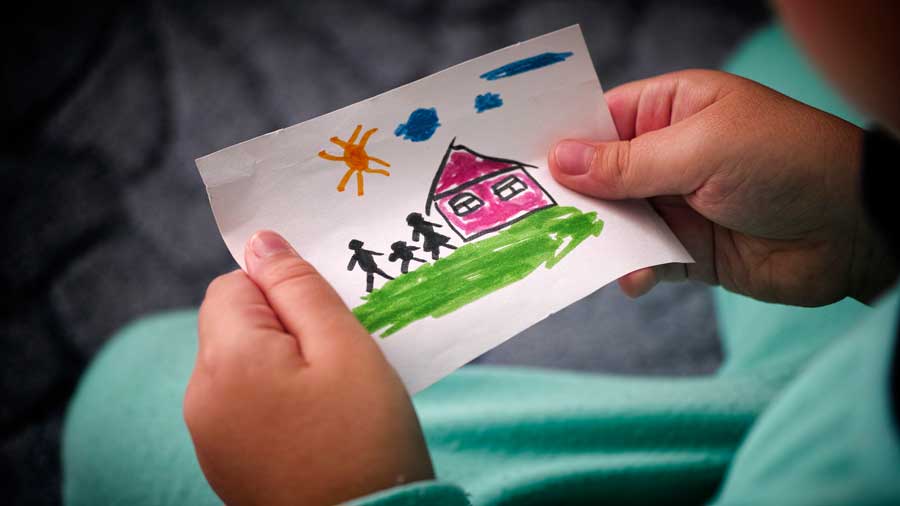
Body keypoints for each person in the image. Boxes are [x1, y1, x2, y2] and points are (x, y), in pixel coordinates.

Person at [63, 2, 900, 505]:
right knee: (778, 64)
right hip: (861, 347)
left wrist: (351, 496)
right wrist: (873, 222)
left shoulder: (846, 470)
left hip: (812, 446)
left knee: (140, 385)